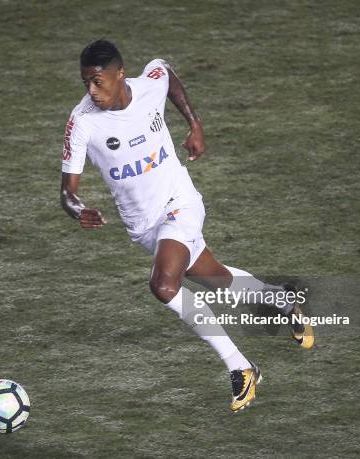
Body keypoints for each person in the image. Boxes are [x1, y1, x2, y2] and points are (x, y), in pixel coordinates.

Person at [60, 39, 314, 412]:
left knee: (164, 285)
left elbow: (166, 72)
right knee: (220, 280)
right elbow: (67, 192)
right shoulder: (82, 122)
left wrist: (195, 125)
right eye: (86, 83)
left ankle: (241, 367)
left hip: (180, 204)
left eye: (98, 81)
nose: (91, 91)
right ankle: (282, 300)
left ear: (119, 74)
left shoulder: (149, 85)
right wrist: (77, 208)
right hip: (145, 228)